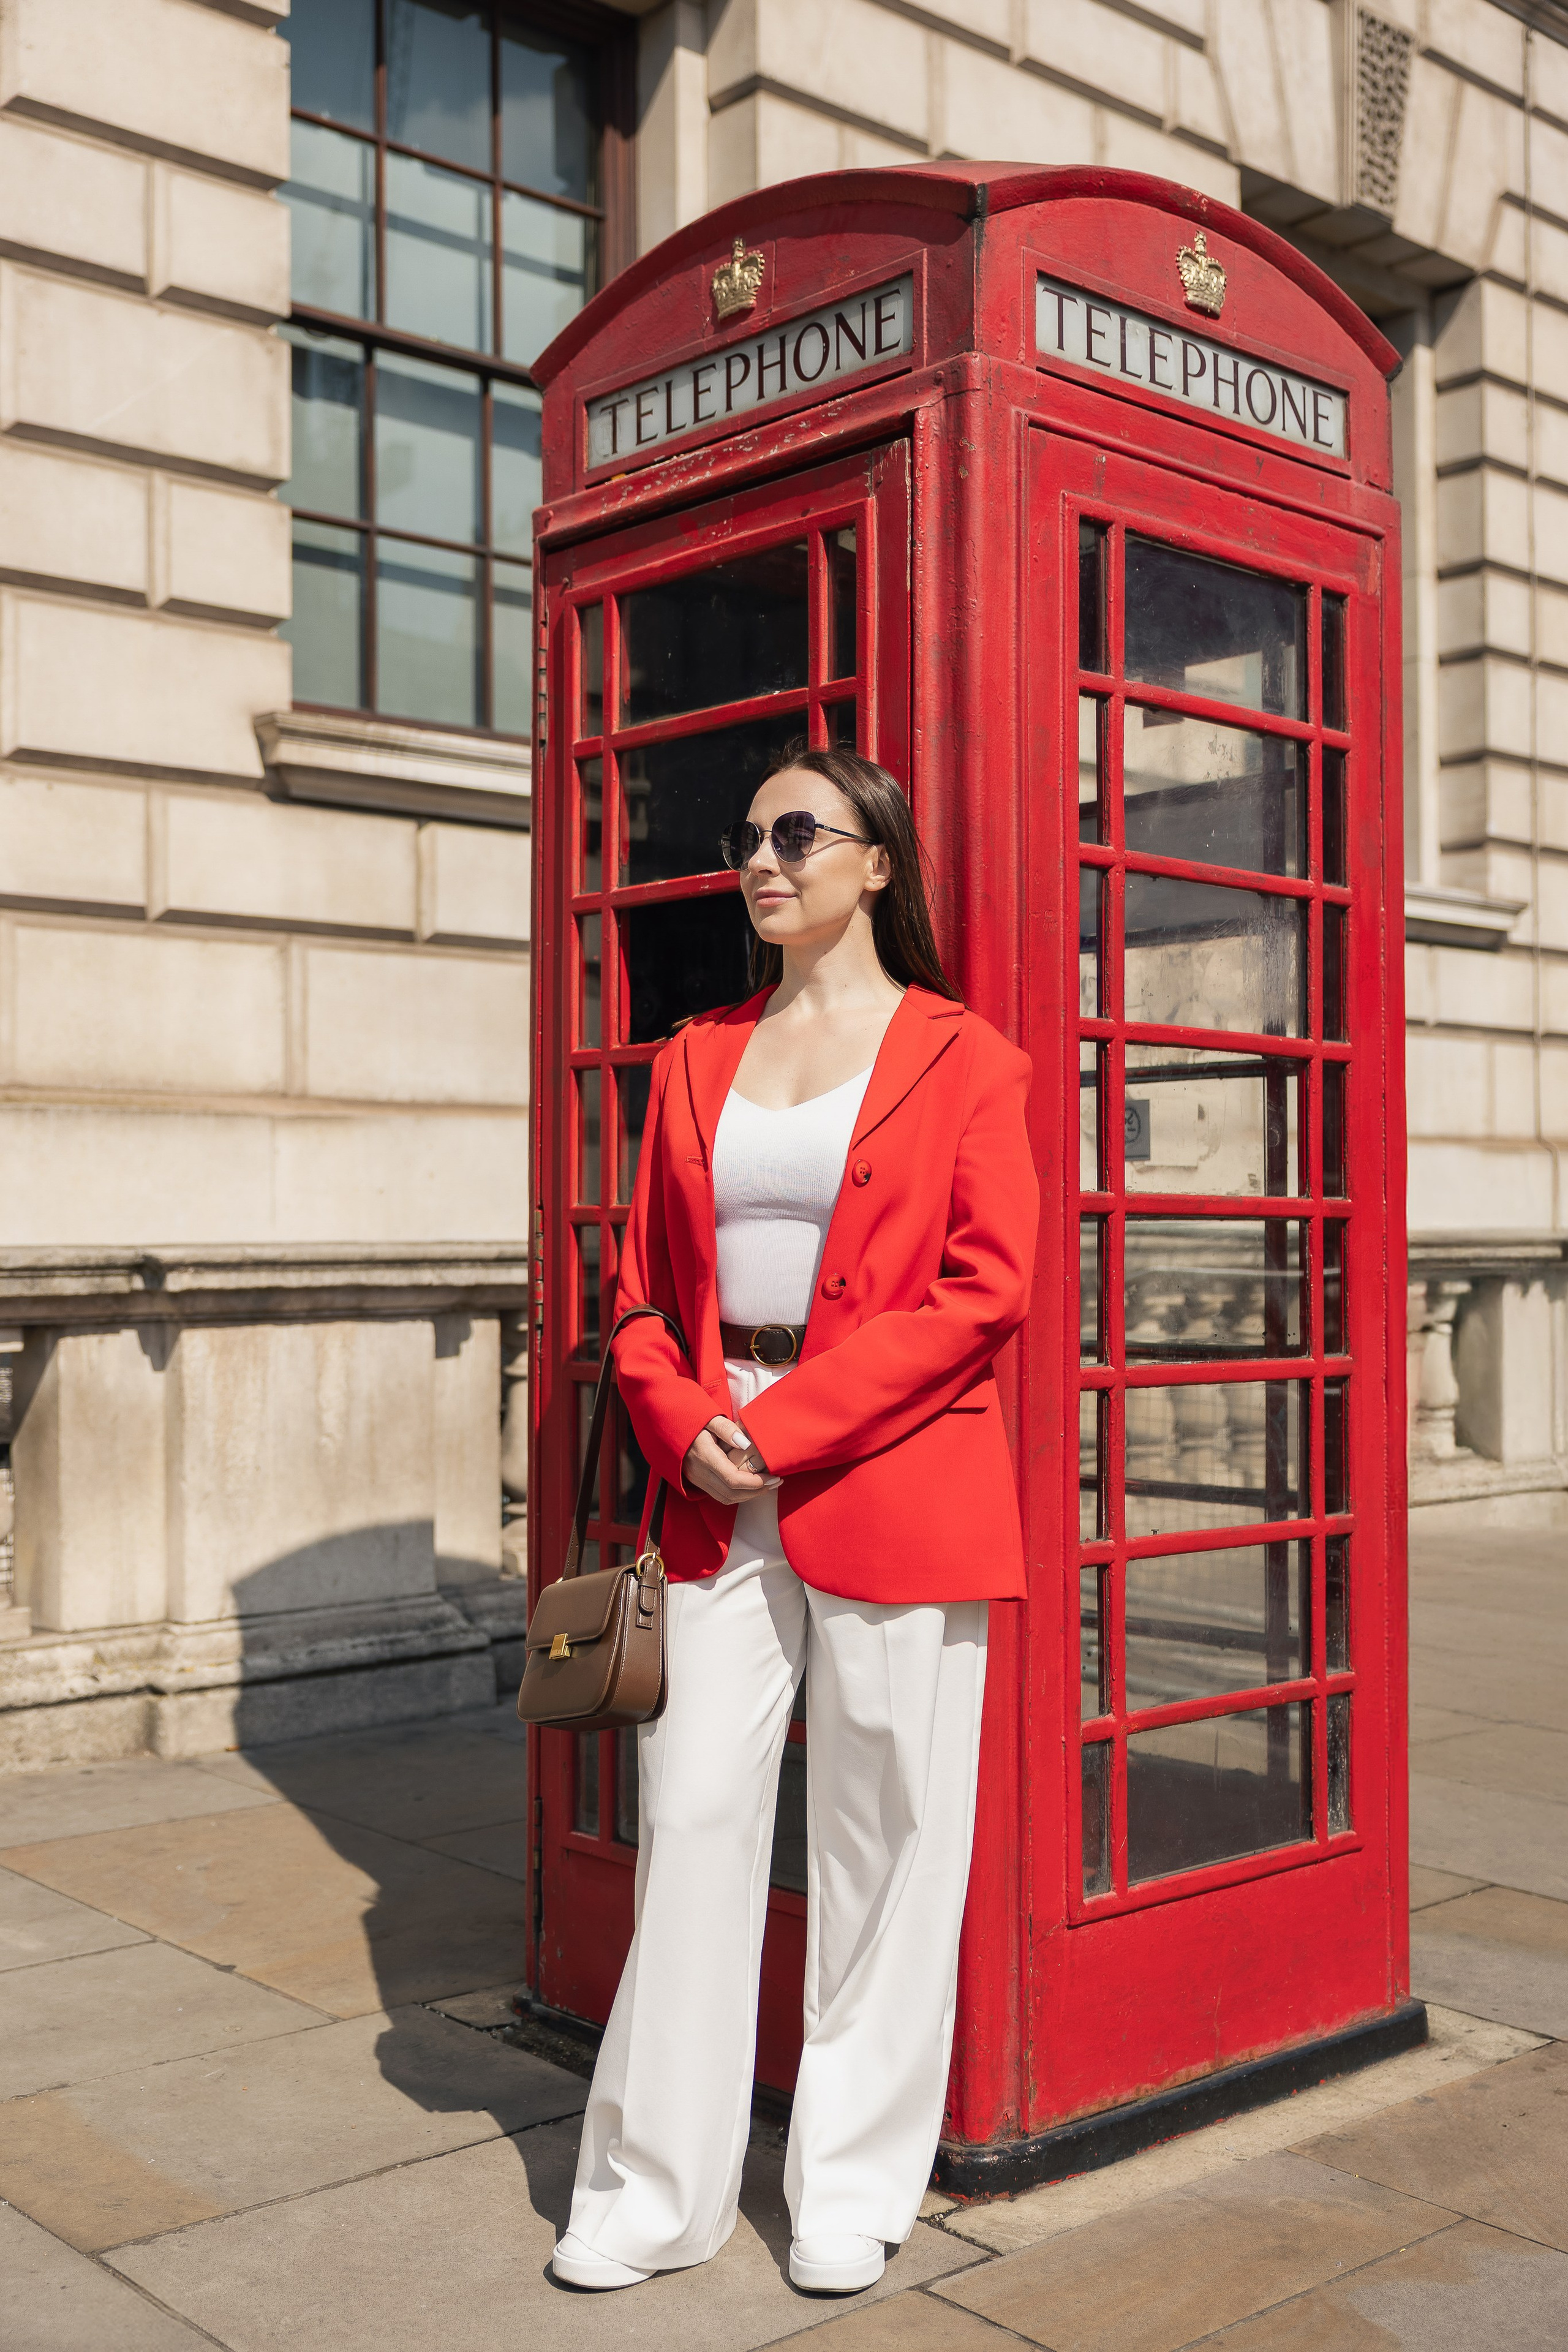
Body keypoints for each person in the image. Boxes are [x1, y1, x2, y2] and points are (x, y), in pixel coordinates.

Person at [551, 744, 1039, 2297]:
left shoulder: (967, 1059)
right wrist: (682, 1420)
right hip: (713, 1496)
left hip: (891, 1475)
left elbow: (987, 1290)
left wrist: (782, 1423)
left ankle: (846, 2181)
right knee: (691, 1820)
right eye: (743, 837)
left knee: (883, 1836)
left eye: (793, 833)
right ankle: (653, 2187)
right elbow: (638, 1297)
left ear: (875, 863)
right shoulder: (694, 1057)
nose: (758, 860)